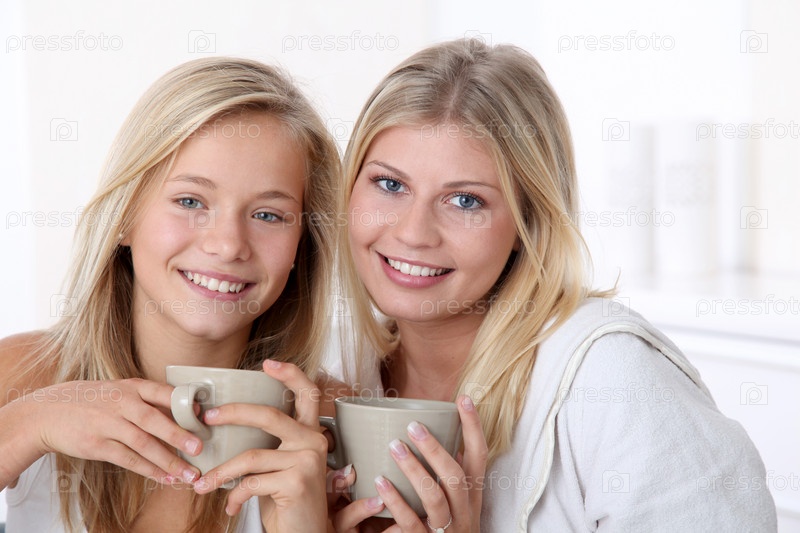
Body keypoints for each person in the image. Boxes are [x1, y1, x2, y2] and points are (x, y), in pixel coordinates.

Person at [327, 39, 778, 532]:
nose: (414, 233)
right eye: (390, 185)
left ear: (528, 223)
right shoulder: (332, 372)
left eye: (465, 201)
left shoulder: (612, 381)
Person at [0, 57, 340, 532]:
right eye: (190, 201)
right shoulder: (21, 376)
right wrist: (22, 429)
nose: (228, 245)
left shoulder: (331, 423)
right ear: (123, 216)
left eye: (268, 215)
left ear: (302, 248)